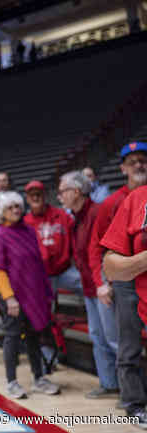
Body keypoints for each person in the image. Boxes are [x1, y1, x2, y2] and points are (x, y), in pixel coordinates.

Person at [0, 191, 60, 399]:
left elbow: (37, 266)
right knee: (12, 337)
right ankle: (12, 382)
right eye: (10, 207)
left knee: (35, 334)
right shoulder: (0, 234)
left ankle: (38, 378)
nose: (16, 210)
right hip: (12, 297)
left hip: (33, 294)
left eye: (17, 206)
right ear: (1, 212)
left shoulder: (28, 231)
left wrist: (45, 293)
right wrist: (9, 298)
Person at [97, 141, 147, 420]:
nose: (139, 164)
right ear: (123, 167)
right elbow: (100, 247)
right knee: (128, 343)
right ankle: (133, 402)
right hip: (128, 277)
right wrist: (100, 281)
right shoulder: (115, 202)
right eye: (133, 160)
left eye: (143, 159)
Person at [58, 170, 119, 398]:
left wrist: (106, 282)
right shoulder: (76, 219)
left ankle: (131, 392)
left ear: (76, 191)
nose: (60, 196)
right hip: (89, 287)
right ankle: (109, 383)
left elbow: (105, 251)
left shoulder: (97, 213)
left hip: (103, 286)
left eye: (62, 191)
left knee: (114, 339)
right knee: (98, 337)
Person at [23, 180, 79, 295]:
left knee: (92, 284)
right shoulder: (24, 223)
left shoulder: (63, 215)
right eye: (31, 195)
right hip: (41, 275)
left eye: (38, 194)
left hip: (65, 271)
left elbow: (76, 241)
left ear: (45, 195)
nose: (35, 198)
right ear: (27, 199)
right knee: (43, 308)